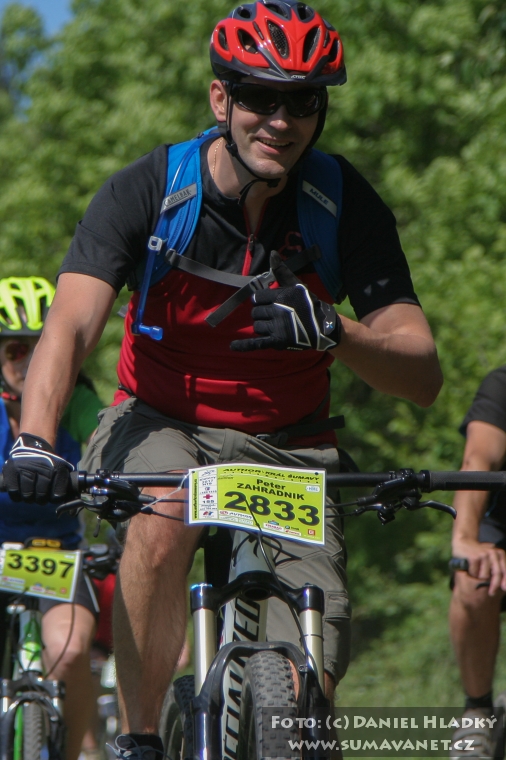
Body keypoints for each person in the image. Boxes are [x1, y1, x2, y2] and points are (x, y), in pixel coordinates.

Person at [2, 2, 443, 757]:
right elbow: (69, 326)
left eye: (303, 102)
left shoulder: (345, 205)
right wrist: (36, 440)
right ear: (221, 99)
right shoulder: (148, 190)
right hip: (160, 421)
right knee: (165, 512)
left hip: (289, 443)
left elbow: (421, 373)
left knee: (313, 679)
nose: (281, 120)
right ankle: (141, 739)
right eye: (260, 97)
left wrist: (335, 330)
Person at [0, 276, 104, 760]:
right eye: (16, 350)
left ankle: (76, 753)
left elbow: (104, 440)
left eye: (41, 346)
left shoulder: (76, 400)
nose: (29, 361)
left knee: (71, 652)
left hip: (56, 552)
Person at [449, 366, 506, 758]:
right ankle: (477, 713)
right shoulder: (503, 385)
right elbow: (477, 459)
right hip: (500, 526)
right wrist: (465, 540)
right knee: (474, 577)